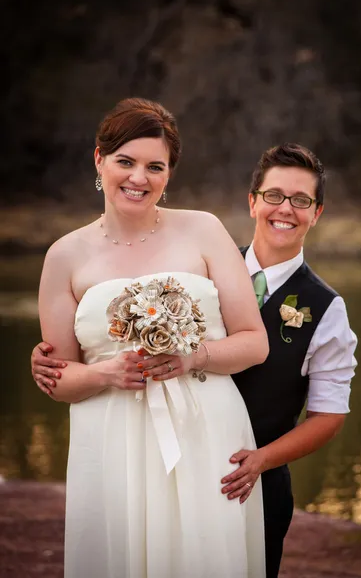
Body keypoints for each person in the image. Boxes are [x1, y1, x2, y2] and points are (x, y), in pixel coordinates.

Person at [33, 97, 269, 578]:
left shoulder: (204, 230)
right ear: (99, 160)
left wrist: (192, 357)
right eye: (126, 161)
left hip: (206, 429)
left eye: (154, 166)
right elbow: (60, 379)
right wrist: (106, 372)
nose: (138, 178)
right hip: (110, 437)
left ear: (168, 175)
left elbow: (254, 342)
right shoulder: (64, 255)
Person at [219, 143, 357, 577]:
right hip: (174, 469)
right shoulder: (203, 273)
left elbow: (328, 416)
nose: (286, 209)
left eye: (302, 200)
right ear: (253, 201)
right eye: (275, 195)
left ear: (316, 213)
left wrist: (261, 460)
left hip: (256, 489)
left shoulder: (327, 308)